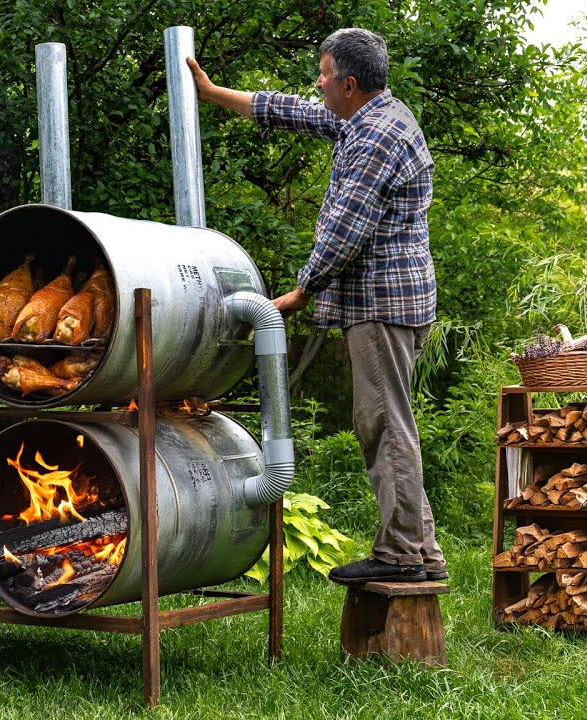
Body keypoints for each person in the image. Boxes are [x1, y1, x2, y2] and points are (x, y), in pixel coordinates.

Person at [188, 28, 446, 585]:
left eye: (325, 74)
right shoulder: (372, 116)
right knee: (388, 421)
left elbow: (345, 230)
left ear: (350, 84)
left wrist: (300, 290)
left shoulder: (375, 137)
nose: (318, 83)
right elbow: (292, 111)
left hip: (381, 304)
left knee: (383, 424)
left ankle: (402, 555)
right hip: (389, 302)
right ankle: (419, 551)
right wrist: (213, 95)